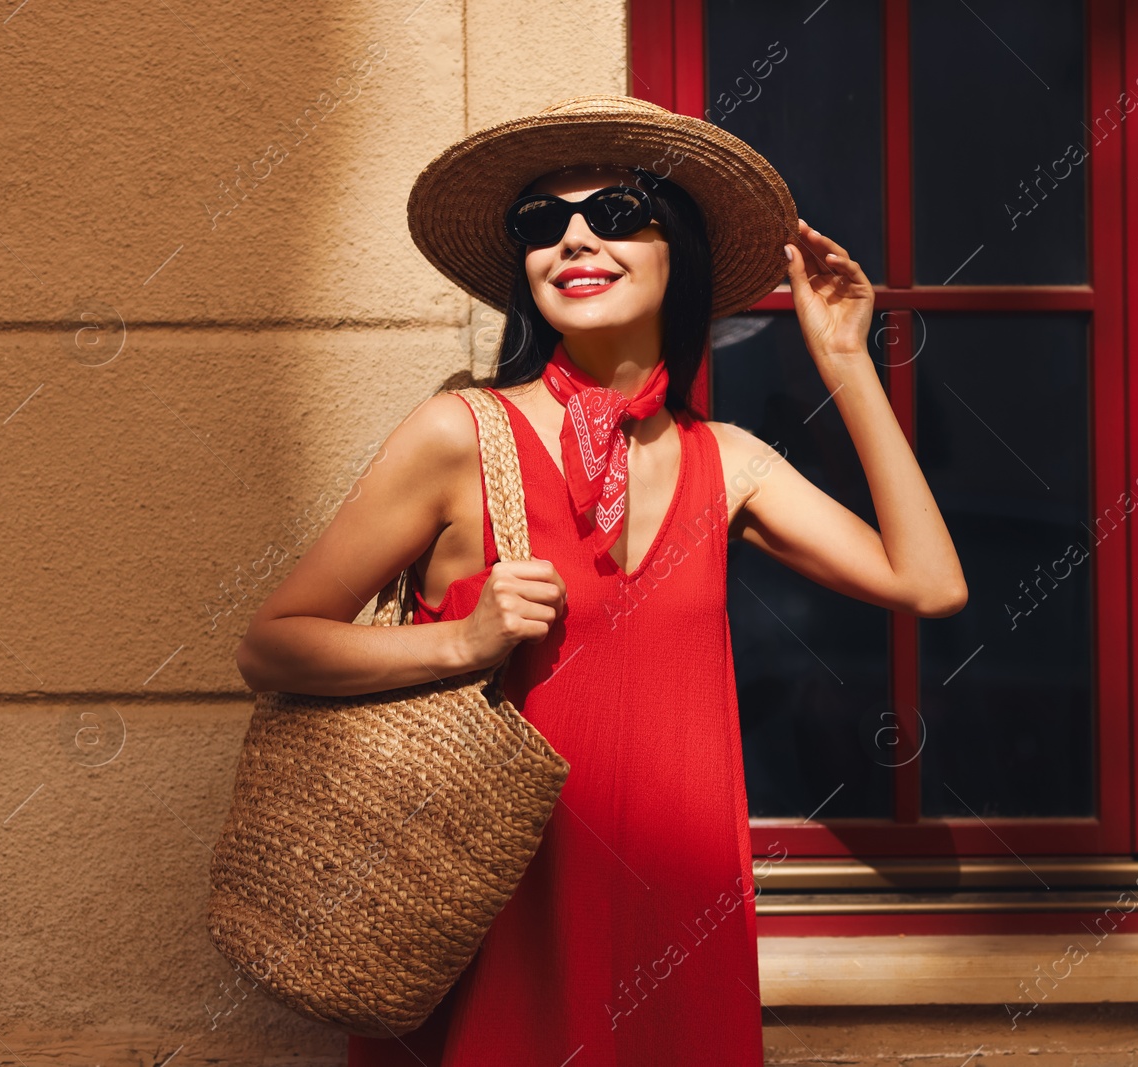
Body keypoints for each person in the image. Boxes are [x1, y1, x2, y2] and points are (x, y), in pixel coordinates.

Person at [235, 94, 967, 1066]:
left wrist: (843, 360)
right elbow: (272, 642)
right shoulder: (460, 434)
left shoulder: (730, 459)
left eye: (617, 214)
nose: (574, 239)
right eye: (541, 225)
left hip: (674, 913)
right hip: (497, 904)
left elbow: (928, 582)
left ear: (680, 257)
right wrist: (458, 639)